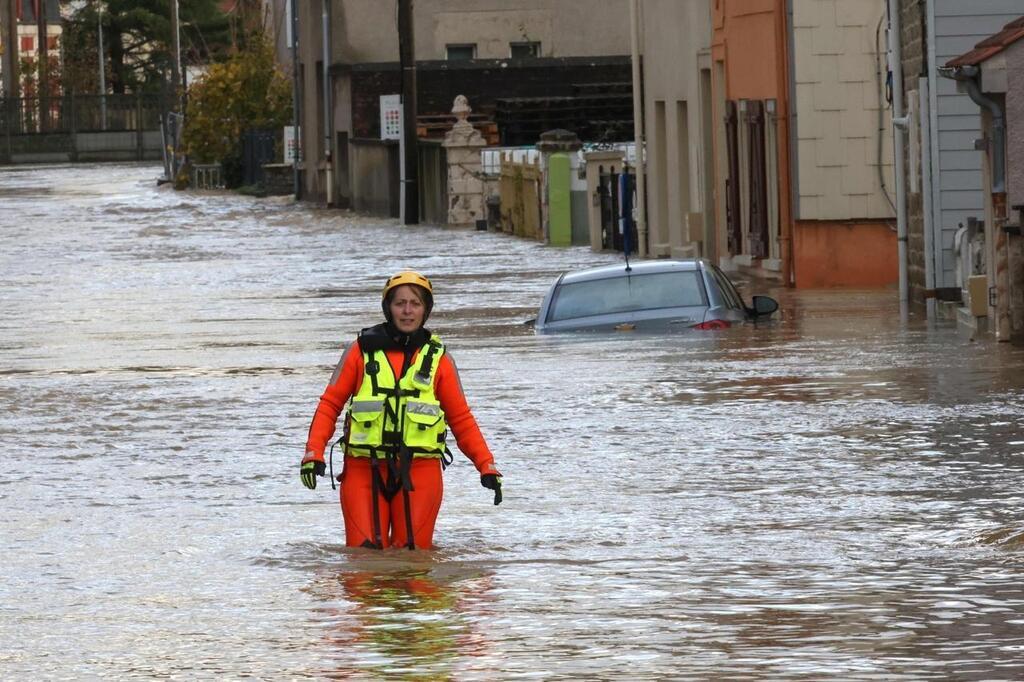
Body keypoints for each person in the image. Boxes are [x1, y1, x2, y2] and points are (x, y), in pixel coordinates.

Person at [301, 271, 503, 549]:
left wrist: (486, 465)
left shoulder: (439, 359)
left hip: (421, 471)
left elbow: (461, 419)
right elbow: (329, 405)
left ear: (425, 310)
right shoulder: (359, 352)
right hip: (363, 470)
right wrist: (314, 453)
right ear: (388, 308)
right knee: (363, 562)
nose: (407, 311)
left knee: (415, 561)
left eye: (415, 304)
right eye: (400, 303)